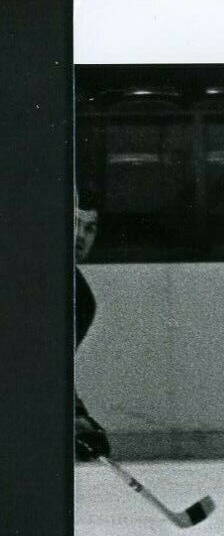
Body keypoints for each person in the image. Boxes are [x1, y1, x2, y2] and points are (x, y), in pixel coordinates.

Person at [73, 187, 111, 462]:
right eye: (74, 224)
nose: (80, 237)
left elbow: (49, 370)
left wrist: (77, 415)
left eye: (90, 229)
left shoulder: (81, 301)